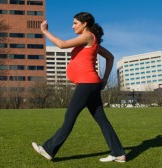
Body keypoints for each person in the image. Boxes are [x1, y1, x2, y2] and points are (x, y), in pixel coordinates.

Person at [31, 12, 126, 163]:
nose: (72, 26)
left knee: (70, 117)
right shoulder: (89, 41)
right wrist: (104, 79)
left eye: (75, 23)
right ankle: (118, 153)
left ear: (85, 24)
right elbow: (110, 57)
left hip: (87, 84)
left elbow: (61, 45)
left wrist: (44, 31)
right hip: (90, 84)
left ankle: (49, 149)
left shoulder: (88, 36)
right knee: (102, 120)